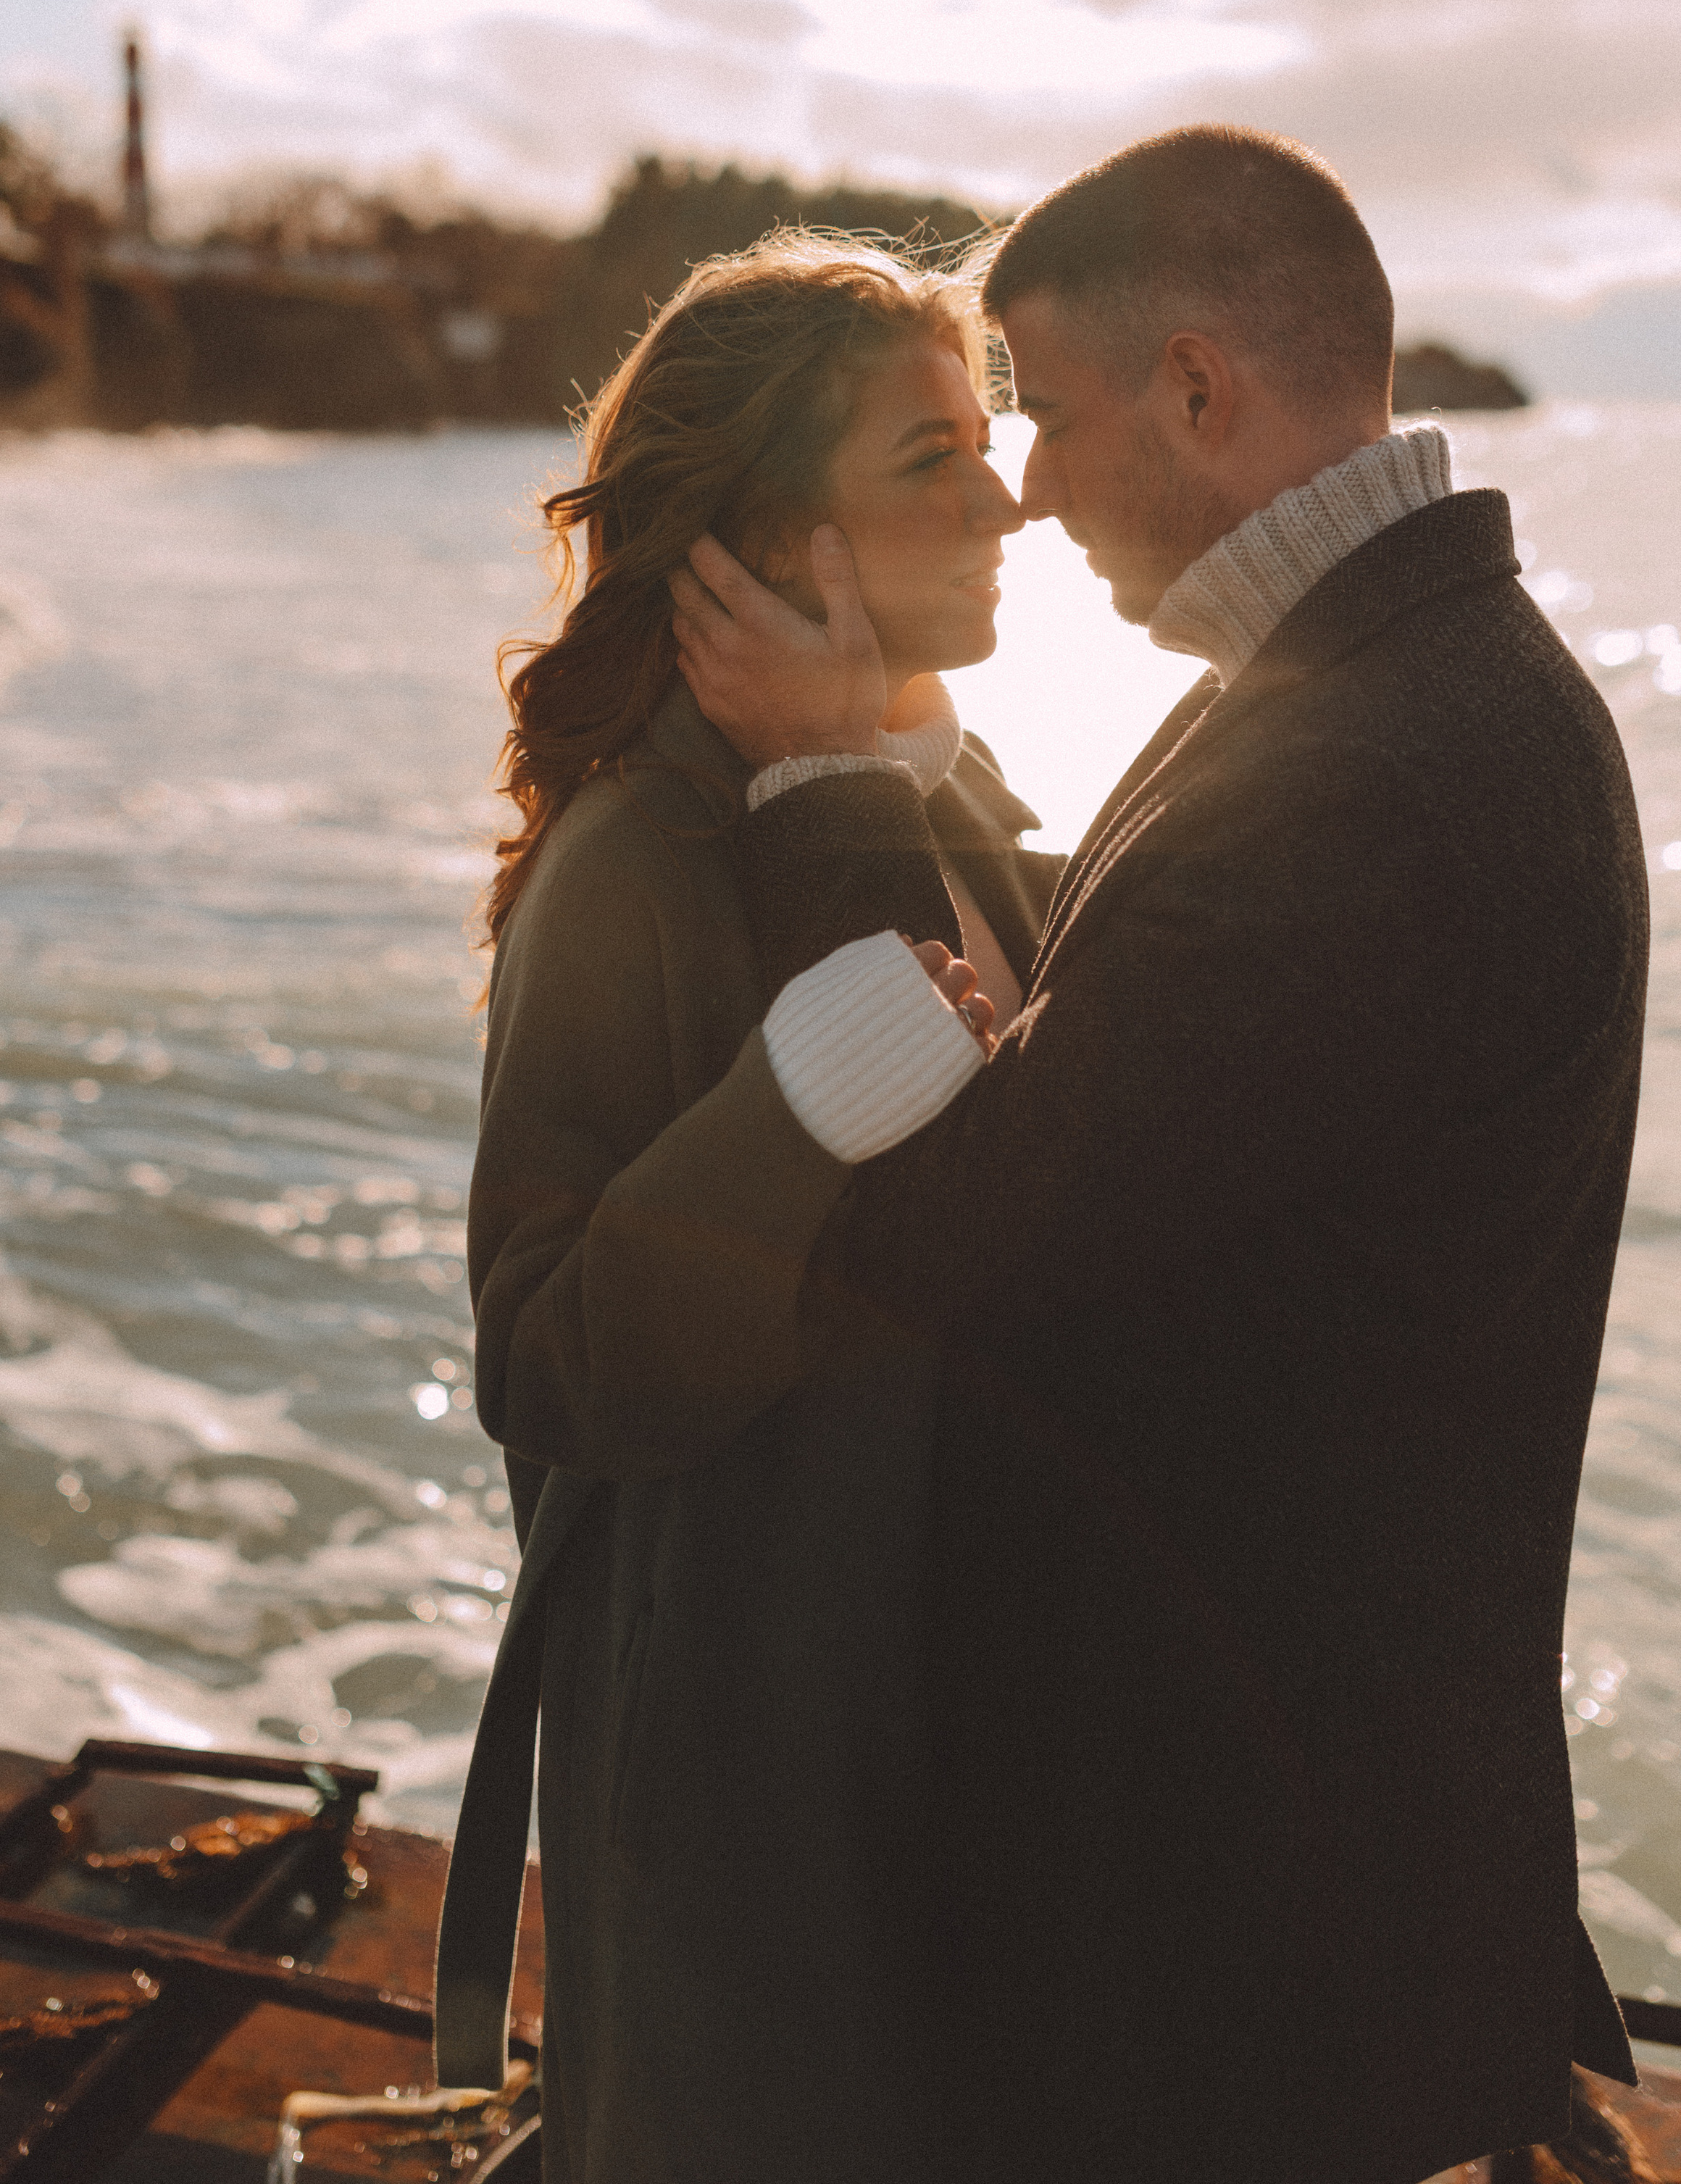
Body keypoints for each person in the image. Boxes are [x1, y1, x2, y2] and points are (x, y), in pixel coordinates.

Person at [662, 128, 1649, 2182]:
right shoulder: (1407, 681)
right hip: (1309, 1839)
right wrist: (923, 766)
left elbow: (938, 1238)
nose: (1023, 478)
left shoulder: (1371, 769)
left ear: (1199, 389)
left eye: (1041, 402)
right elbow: (1171, 982)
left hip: (1230, 1924)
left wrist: (832, 786)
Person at [436, 236, 1055, 2184]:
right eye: (930, 457)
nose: (1004, 494)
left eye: (993, 440)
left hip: (969, 1739)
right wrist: (792, 1107)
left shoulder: (967, 805)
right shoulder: (634, 864)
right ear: (783, 535)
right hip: (755, 1789)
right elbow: (545, 1363)